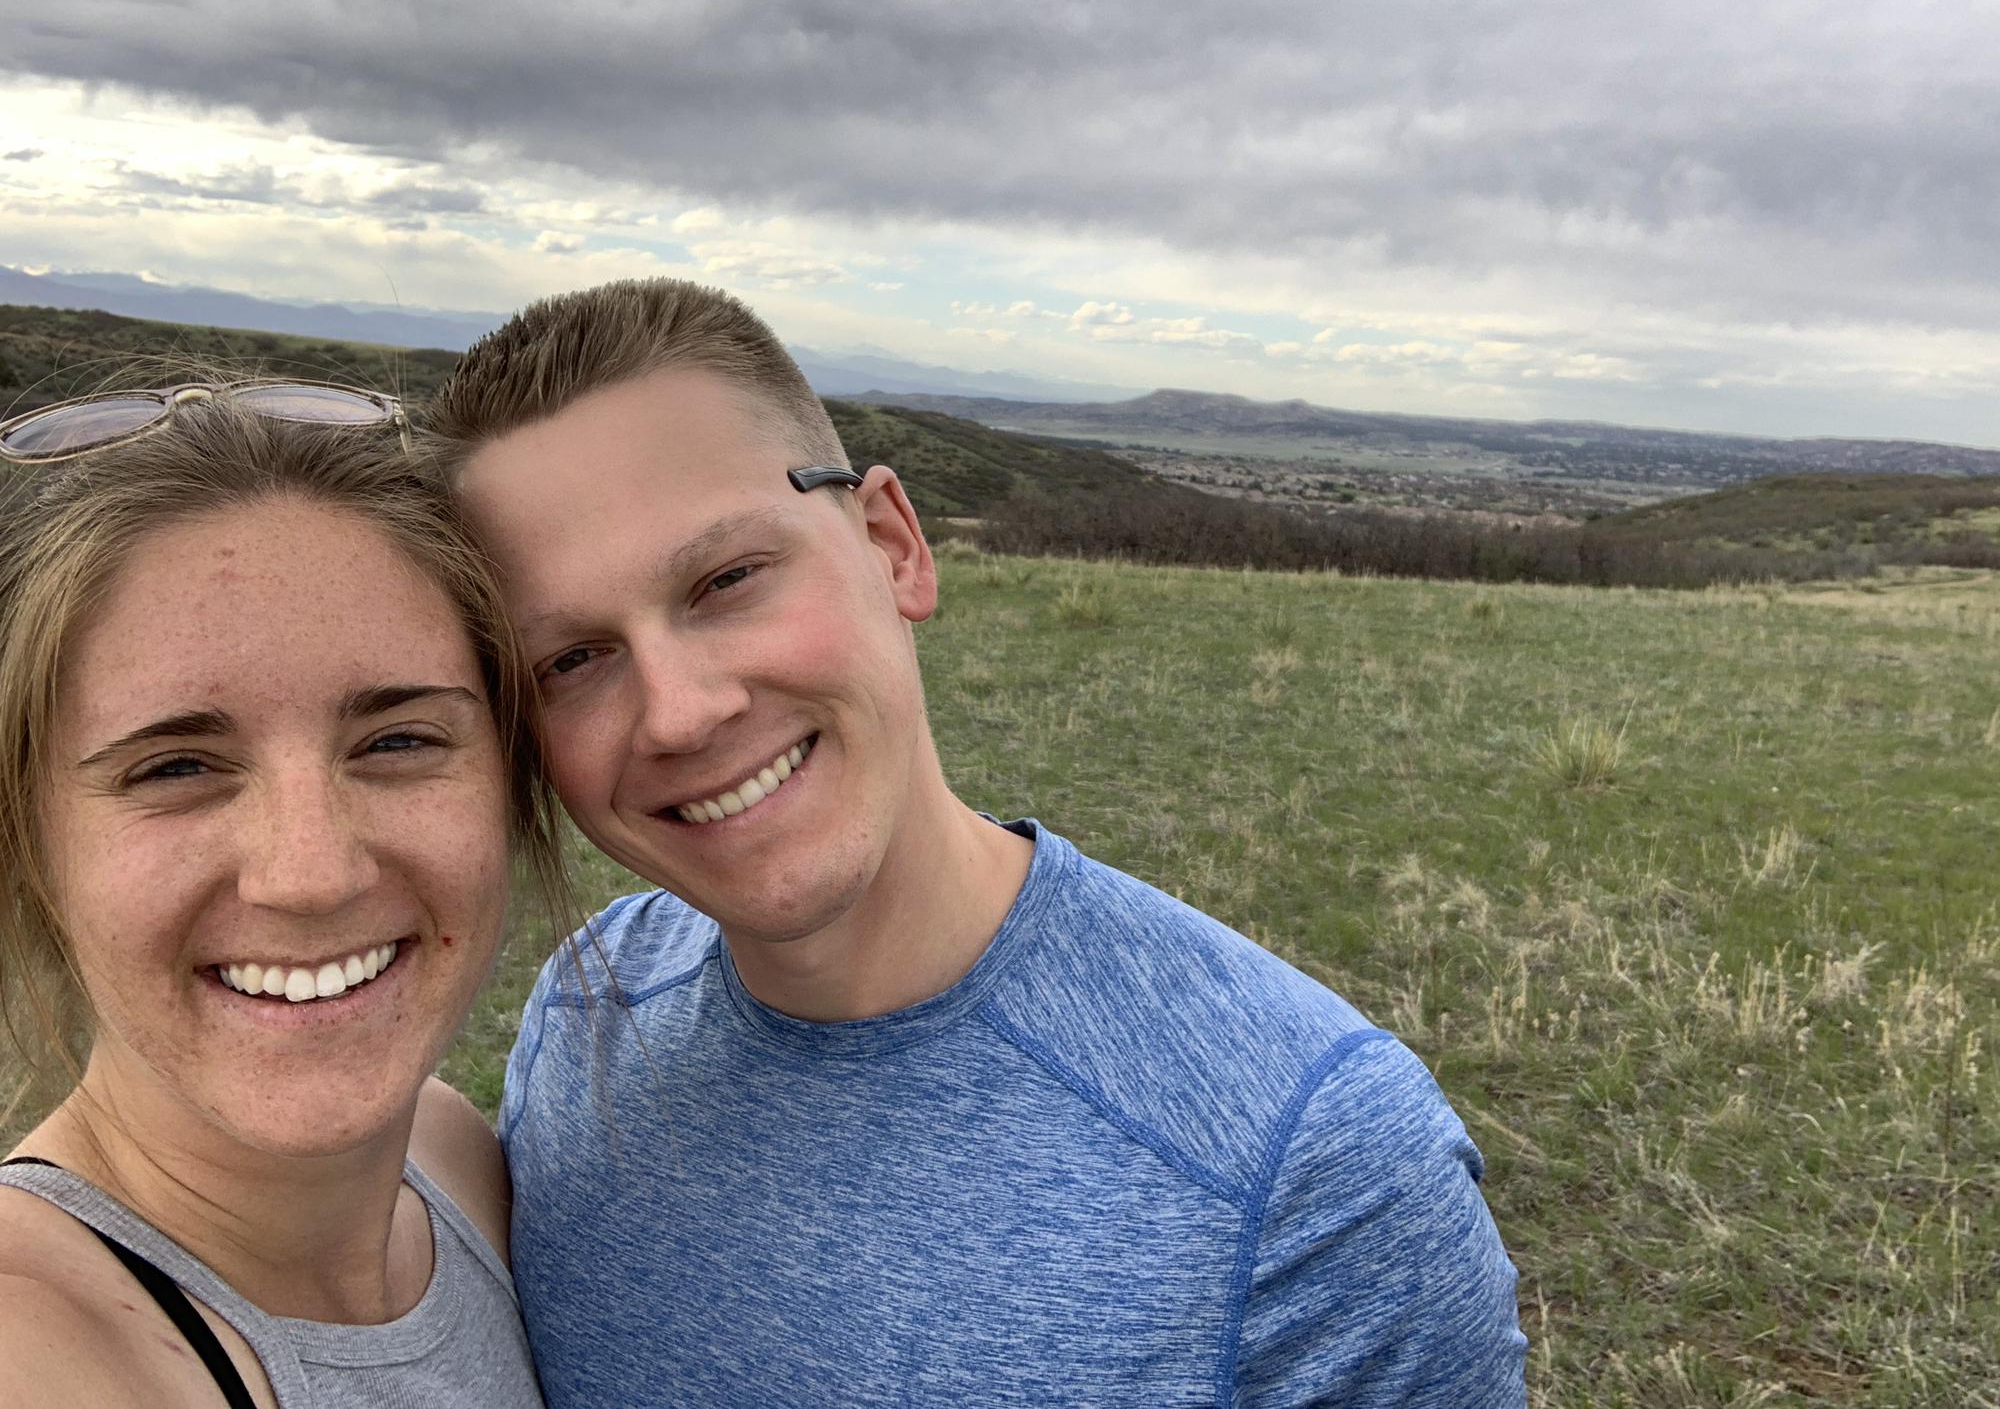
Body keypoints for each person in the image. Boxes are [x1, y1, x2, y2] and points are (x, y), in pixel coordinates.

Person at [431, 278, 1529, 1407]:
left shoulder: (1313, 1169)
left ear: (890, 543)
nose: (677, 712)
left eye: (726, 581)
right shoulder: (585, 1023)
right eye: (569, 659)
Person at [0, 382, 560, 1407]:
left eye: (396, 742)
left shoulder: (450, 1158)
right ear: (30, 838)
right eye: (175, 768)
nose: (311, 873)